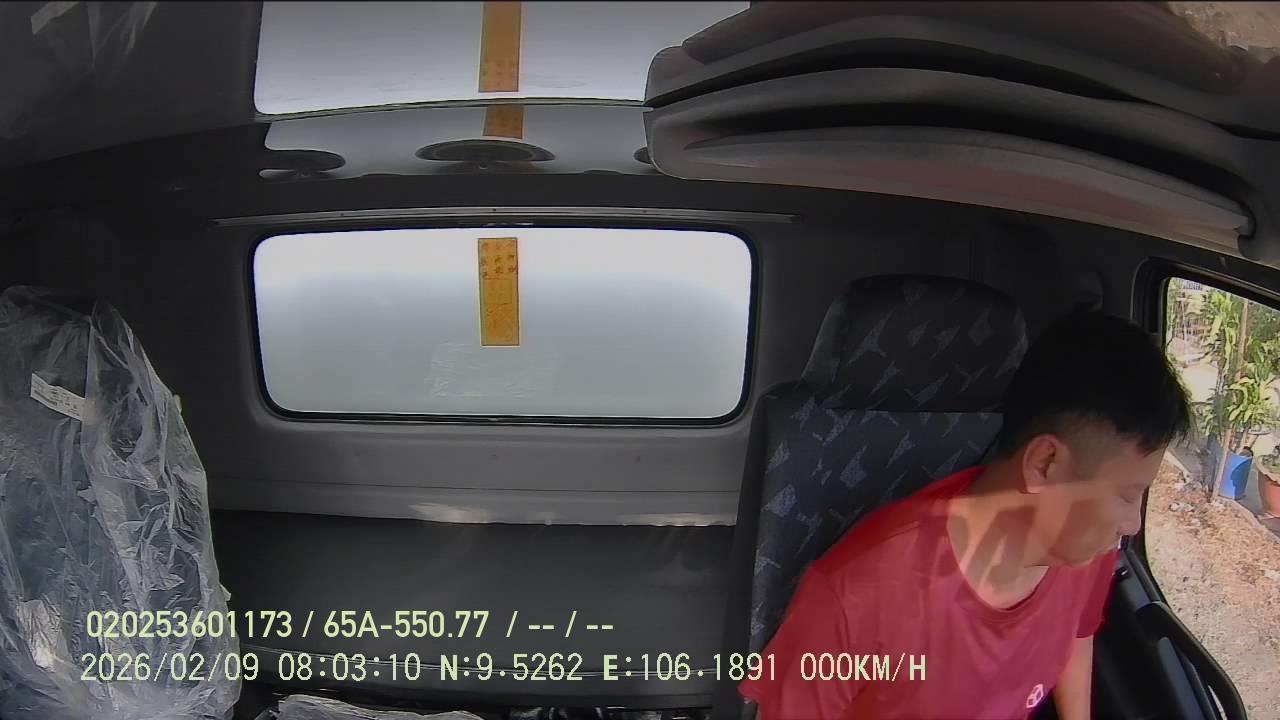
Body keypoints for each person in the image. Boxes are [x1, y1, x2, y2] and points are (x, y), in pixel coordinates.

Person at [739, 311, 1192, 720]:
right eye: (1128, 495)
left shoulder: (1080, 548)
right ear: (1044, 464)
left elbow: (1075, 632)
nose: (1132, 524)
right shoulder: (853, 596)